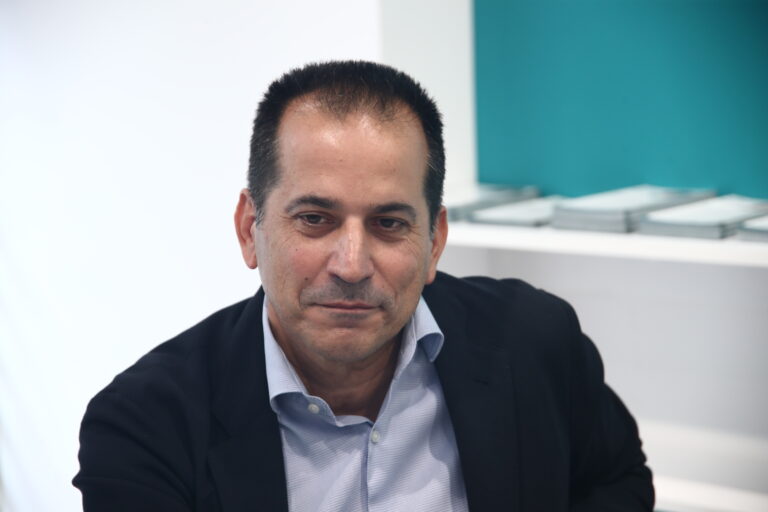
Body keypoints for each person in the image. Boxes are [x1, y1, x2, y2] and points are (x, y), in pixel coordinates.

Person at [73, 61, 654, 511]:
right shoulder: (144, 425)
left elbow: (616, 480)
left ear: (434, 240)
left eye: (389, 223)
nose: (351, 266)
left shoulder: (535, 340)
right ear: (251, 230)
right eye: (314, 219)